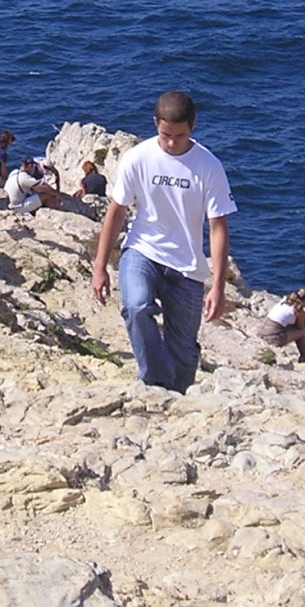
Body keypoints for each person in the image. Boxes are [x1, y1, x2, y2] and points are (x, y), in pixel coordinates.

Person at [91, 91, 236, 393]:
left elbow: (218, 227)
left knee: (183, 352)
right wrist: (100, 266)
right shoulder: (137, 158)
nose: (172, 143)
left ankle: (176, 396)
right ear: (155, 123)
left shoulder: (209, 166)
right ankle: (154, 381)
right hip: (142, 250)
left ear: (193, 126)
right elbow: (116, 211)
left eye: (180, 136)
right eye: (166, 135)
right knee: (136, 306)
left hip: (187, 266)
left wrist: (218, 286)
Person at [256, 286, 305, 362]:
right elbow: (301, 327)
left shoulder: (285, 300)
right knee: (302, 333)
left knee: (293, 328)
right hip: (272, 338)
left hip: (262, 331)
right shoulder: (298, 309)